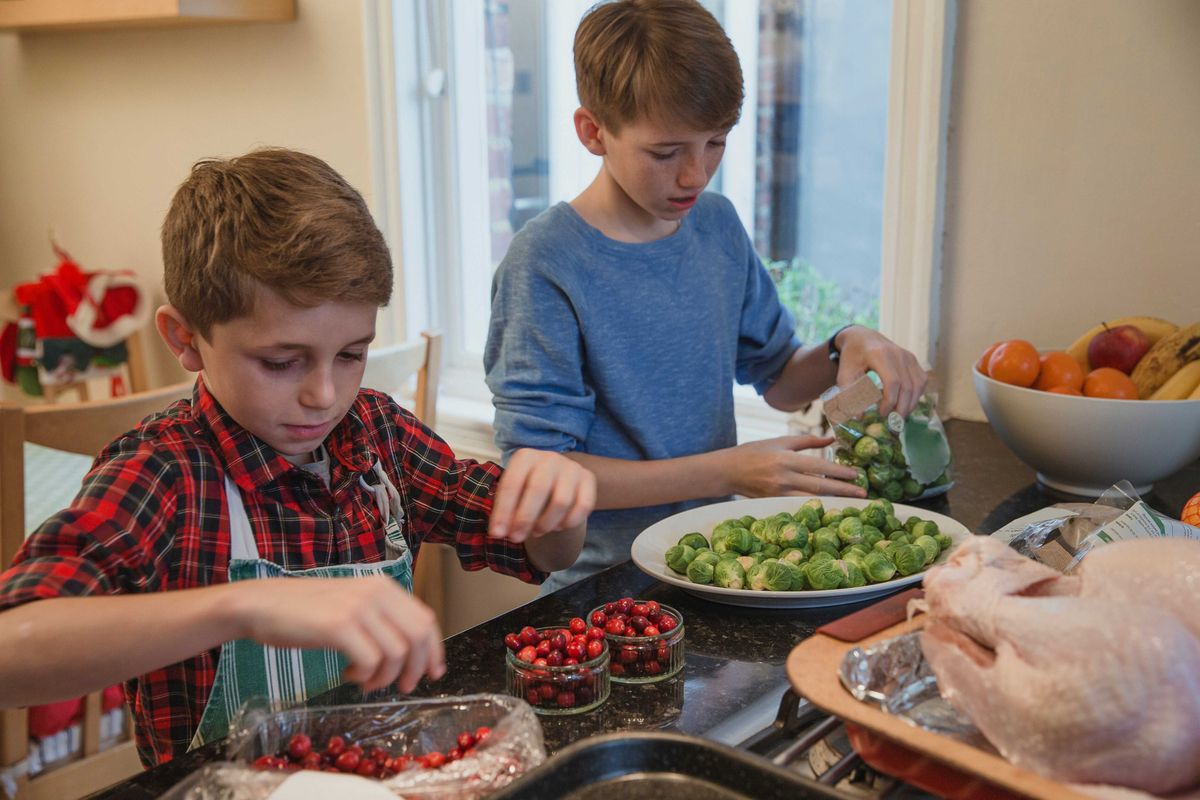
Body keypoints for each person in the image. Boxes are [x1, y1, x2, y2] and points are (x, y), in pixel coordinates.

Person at [0, 148, 595, 765]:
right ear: (186, 339)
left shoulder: (377, 434)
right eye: (281, 362)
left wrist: (558, 498)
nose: (325, 395)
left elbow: (545, 551)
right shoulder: (164, 473)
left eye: (351, 354)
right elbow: (11, 656)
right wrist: (244, 608)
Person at [484, 0, 926, 593]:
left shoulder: (716, 225)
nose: (696, 174)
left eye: (716, 142)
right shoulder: (545, 263)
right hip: (605, 588)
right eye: (665, 153)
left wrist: (847, 342)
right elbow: (544, 471)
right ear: (593, 132)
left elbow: (778, 378)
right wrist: (729, 470)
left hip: (719, 567)